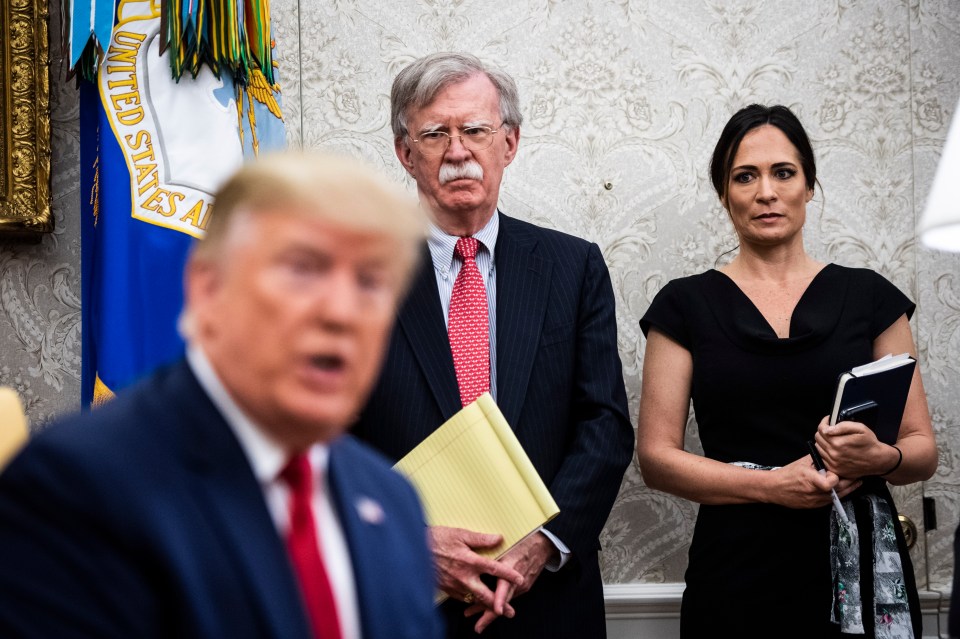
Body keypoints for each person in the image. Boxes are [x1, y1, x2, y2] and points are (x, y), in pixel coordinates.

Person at [0, 152, 444, 639]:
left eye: (370, 282)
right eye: (303, 270)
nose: (341, 313)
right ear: (208, 288)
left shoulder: (391, 501)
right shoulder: (79, 486)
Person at [351, 52, 634, 638]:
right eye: (435, 133)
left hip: (550, 599)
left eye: (475, 130)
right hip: (403, 596)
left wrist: (542, 544)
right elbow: (321, 441)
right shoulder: (354, 272)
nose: (458, 151)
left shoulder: (572, 266)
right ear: (406, 154)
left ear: (510, 142)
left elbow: (604, 425)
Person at [636, 104, 938, 638]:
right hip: (735, 570)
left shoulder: (870, 297)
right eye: (744, 176)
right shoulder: (684, 304)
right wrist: (775, 486)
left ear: (809, 185)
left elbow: (921, 449)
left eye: (783, 172)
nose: (766, 192)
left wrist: (881, 457)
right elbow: (657, 459)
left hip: (860, 569)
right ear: (725, 195)